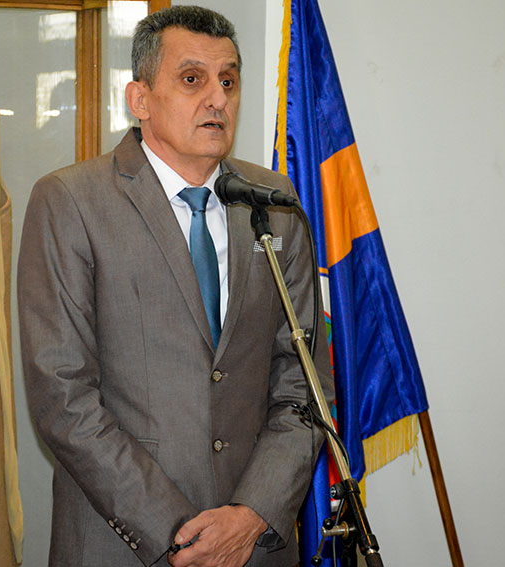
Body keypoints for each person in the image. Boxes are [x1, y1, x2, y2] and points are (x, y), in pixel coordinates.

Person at [18, 6, 332, 567]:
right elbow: (63, 399)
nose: (217, 99)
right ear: (139, 99)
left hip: (251, 545)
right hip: (123, 543)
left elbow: (304, 384)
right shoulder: (70, 202)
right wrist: (180, 534)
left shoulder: (274, 202)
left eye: (228, 81)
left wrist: (251, 514)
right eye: (193, 79)